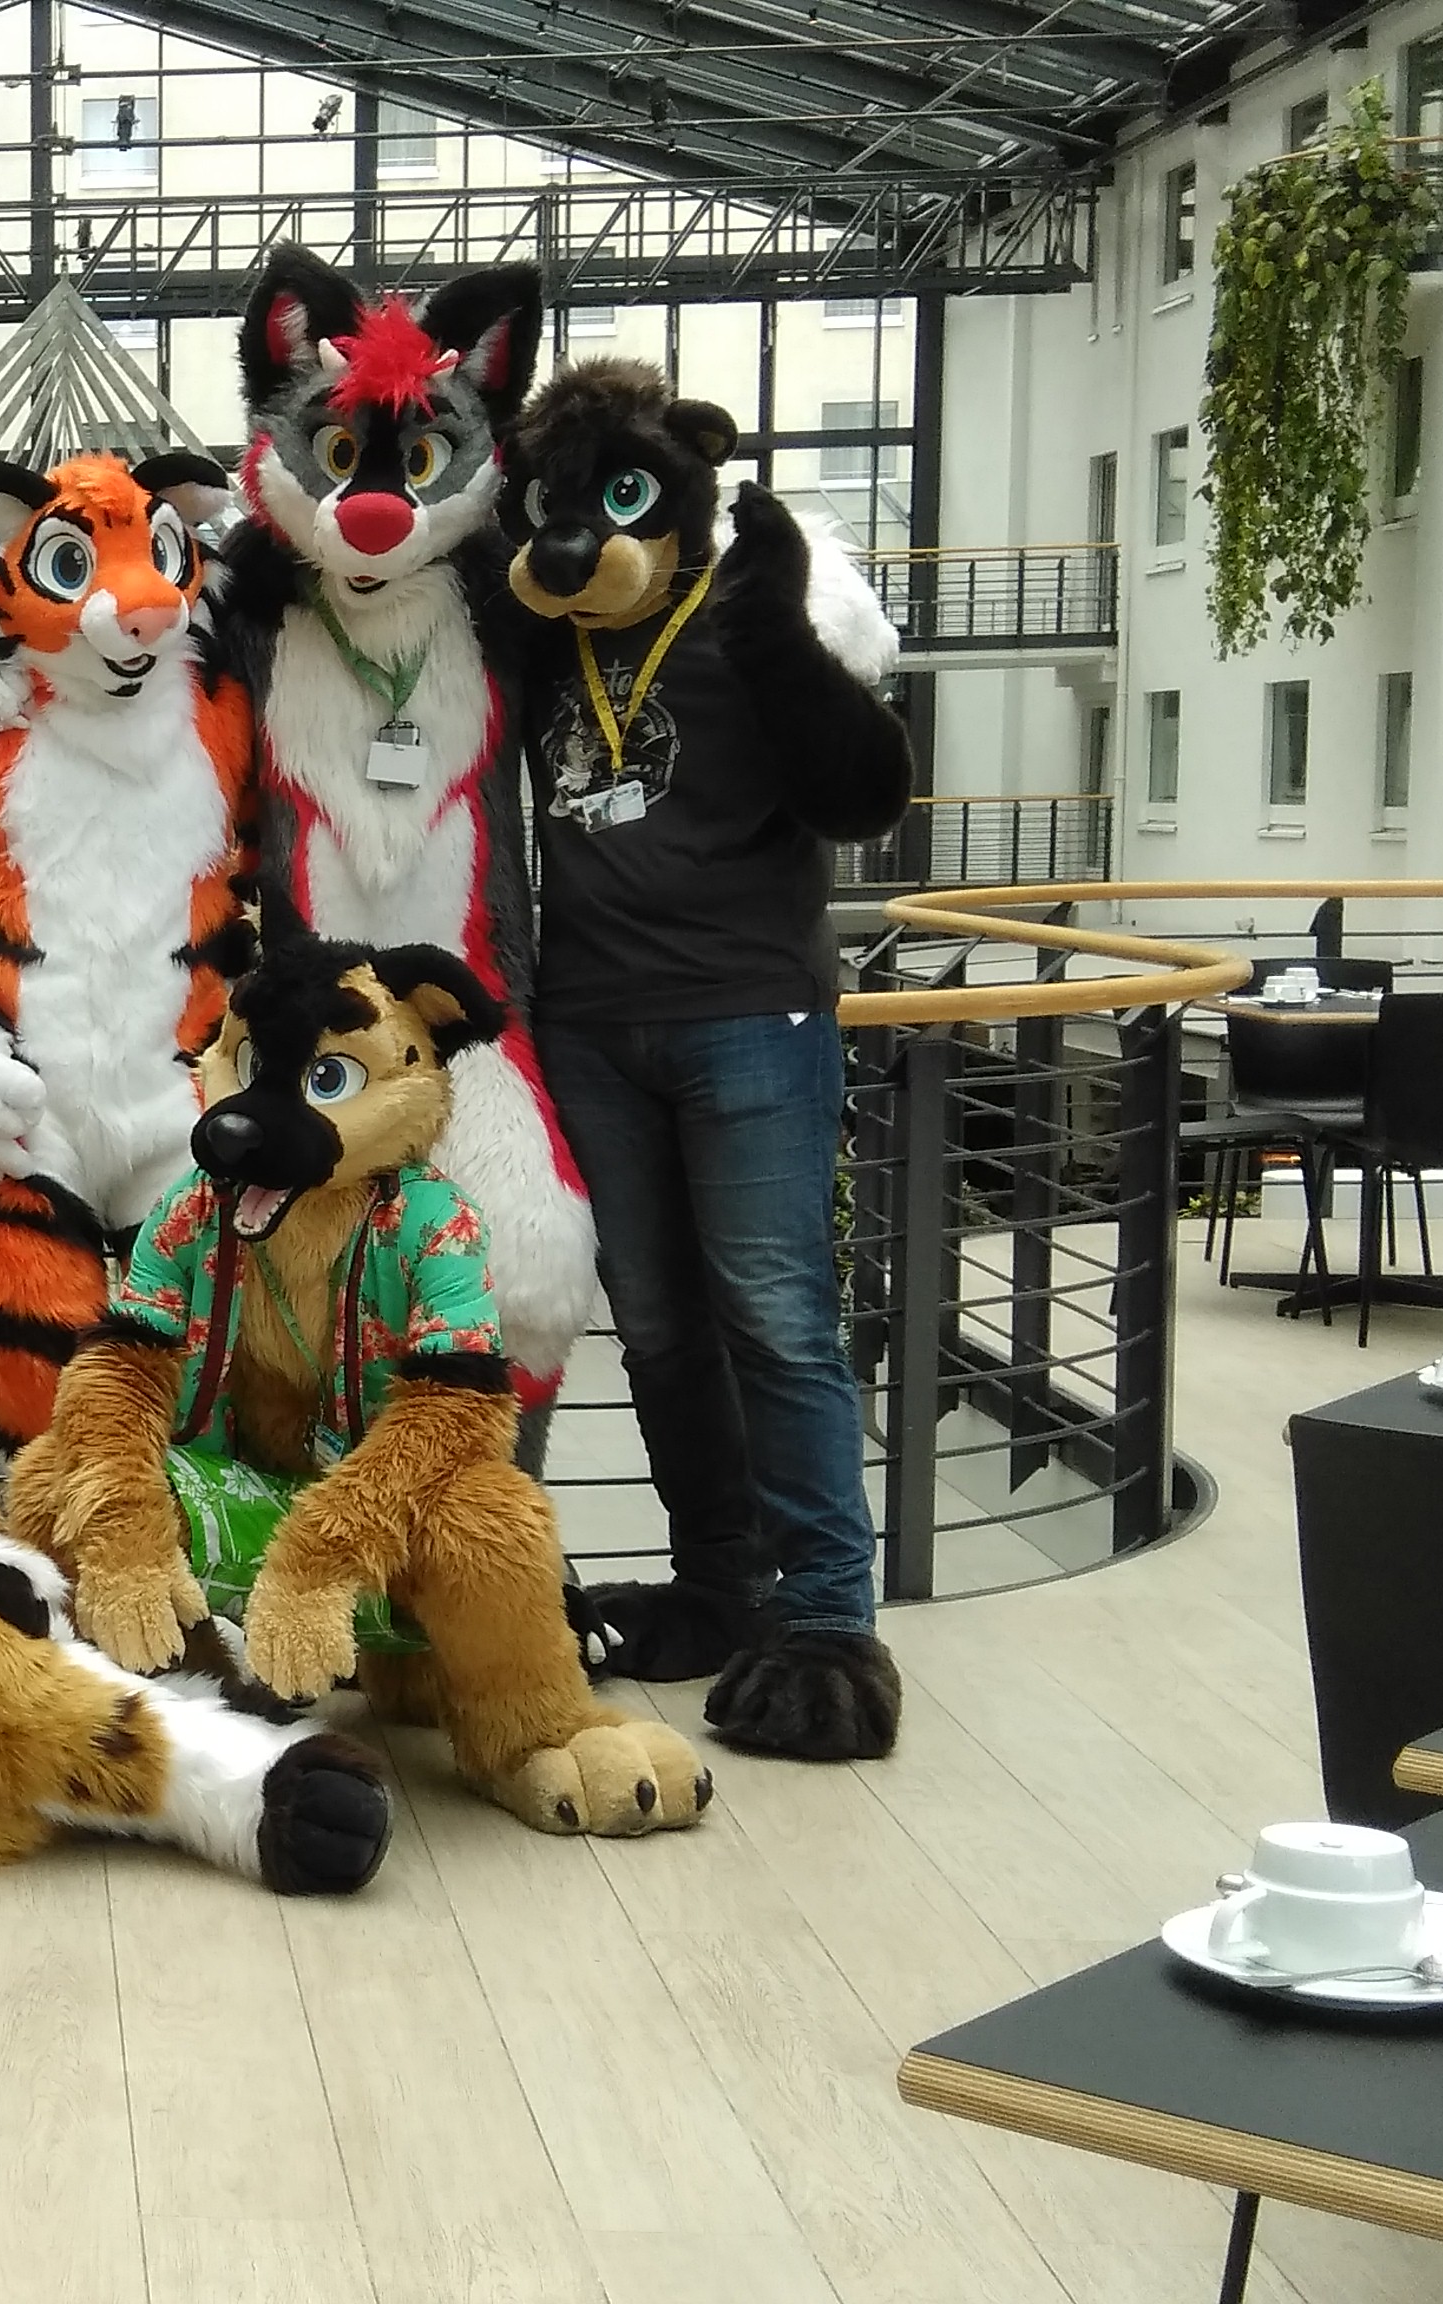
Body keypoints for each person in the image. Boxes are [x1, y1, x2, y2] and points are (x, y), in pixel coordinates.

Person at [493, 361, 913, 1763]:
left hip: (750, 1014)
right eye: (555, 508)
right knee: (659, 1328)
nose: (578, 539)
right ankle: (721, 1587)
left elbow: (866, 792)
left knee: (777, 1318)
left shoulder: (740, 613)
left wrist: (783, 633)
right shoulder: (547, 636)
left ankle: (831, 1620)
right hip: (590, 1025)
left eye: (617, 499)